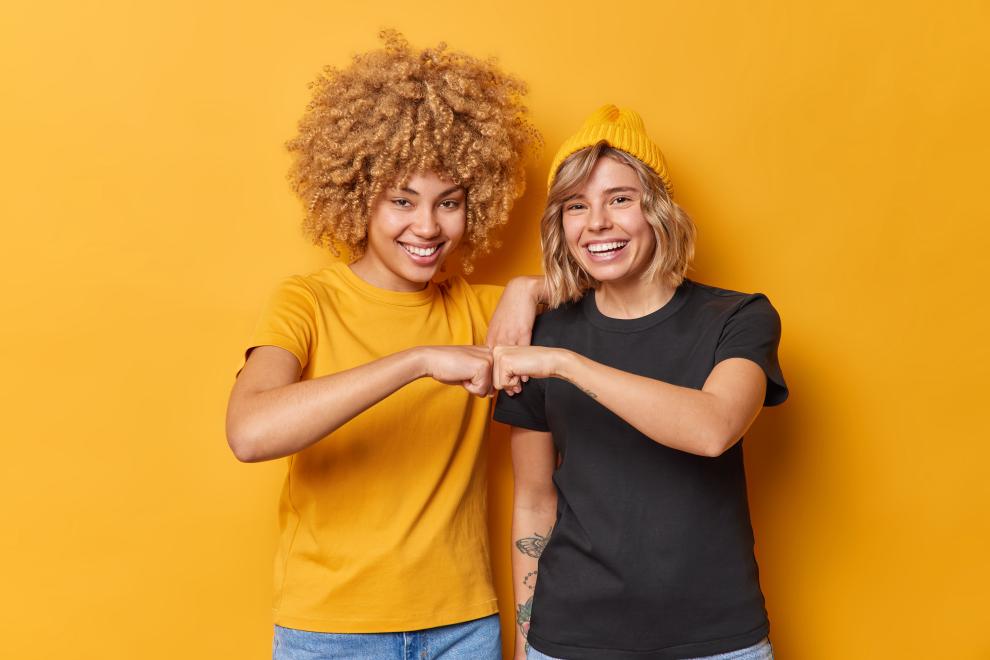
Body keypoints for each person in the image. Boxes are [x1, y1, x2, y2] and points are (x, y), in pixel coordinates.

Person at [225, 31, 543, 659]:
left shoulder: (483, 308)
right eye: (403, 200)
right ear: (356, 194)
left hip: (464, 627)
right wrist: (417, 362)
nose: (427, 228)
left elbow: (609, 282)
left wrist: (529, 288)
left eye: (448, 203)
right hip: (330, 632)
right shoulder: (306, 302)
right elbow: (249, 432)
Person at [491, 105, 788, 660]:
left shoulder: (738, 318)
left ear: (658, 210)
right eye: (576, 206)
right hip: (570, 639)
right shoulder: (543, 333)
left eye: (619, 199)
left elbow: (713, 428)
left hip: (717, 640)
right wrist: (527, 638)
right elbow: (533, 501)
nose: (597, 223)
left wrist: (565, 363)